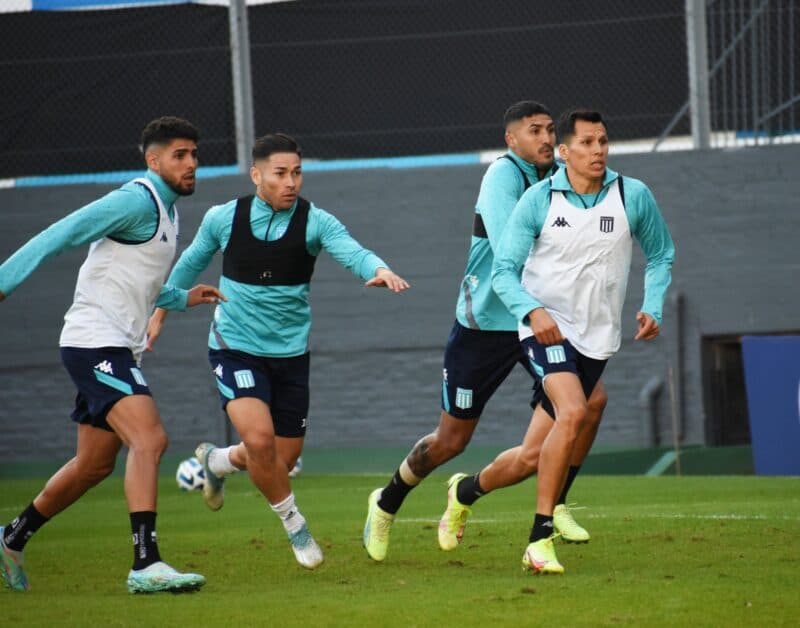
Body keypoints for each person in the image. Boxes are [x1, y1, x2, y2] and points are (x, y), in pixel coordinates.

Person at [146, 133, 410, 570]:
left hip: (290, 356)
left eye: (297, 173)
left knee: (279, 462)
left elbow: (352, 251)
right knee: (261, 440)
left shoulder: (315, 221)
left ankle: (217, 461)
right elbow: (190, 263)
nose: (291, 182)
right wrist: (161, 311)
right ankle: (295, 525)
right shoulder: (223, 218)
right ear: (257, 175)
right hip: (236, 347)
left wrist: (378, 269)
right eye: (281, 173)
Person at [363, 101, 609, 562]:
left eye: (549, 129)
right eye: (533, 130)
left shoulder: (560, 174)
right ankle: (387, 501)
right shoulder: (502, 177)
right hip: (486, 325)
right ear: (511, 140)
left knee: (591, 402)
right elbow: (509, 249)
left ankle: (553, 508)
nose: (544, 138)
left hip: (537, 320)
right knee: (450, 442)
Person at [0, 117, 225, 593]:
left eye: (194, 155)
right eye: (179, 155)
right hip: (94, 342)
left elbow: (139, 282)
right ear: (153, 159)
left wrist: (181, 298)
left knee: (94, 464)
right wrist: (4, 281)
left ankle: (11, 538)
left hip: (117, 346)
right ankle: (146, 563)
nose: (191, 164)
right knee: (151, 439)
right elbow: (63, 233)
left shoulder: (168, 211)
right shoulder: (135, 199)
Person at [477, 108, 674, 574]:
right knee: (574, 411)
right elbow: (504, 271)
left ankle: (465, 492)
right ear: (564, 152)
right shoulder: (538, 201)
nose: (597, 151)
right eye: (586, 143)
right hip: (543, 328)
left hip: (596, 337)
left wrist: (654, 304)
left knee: (530, 455)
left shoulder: (633, 195)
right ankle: (539, 537)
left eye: (603, 141)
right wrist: (532, 310)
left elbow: (662, 254)